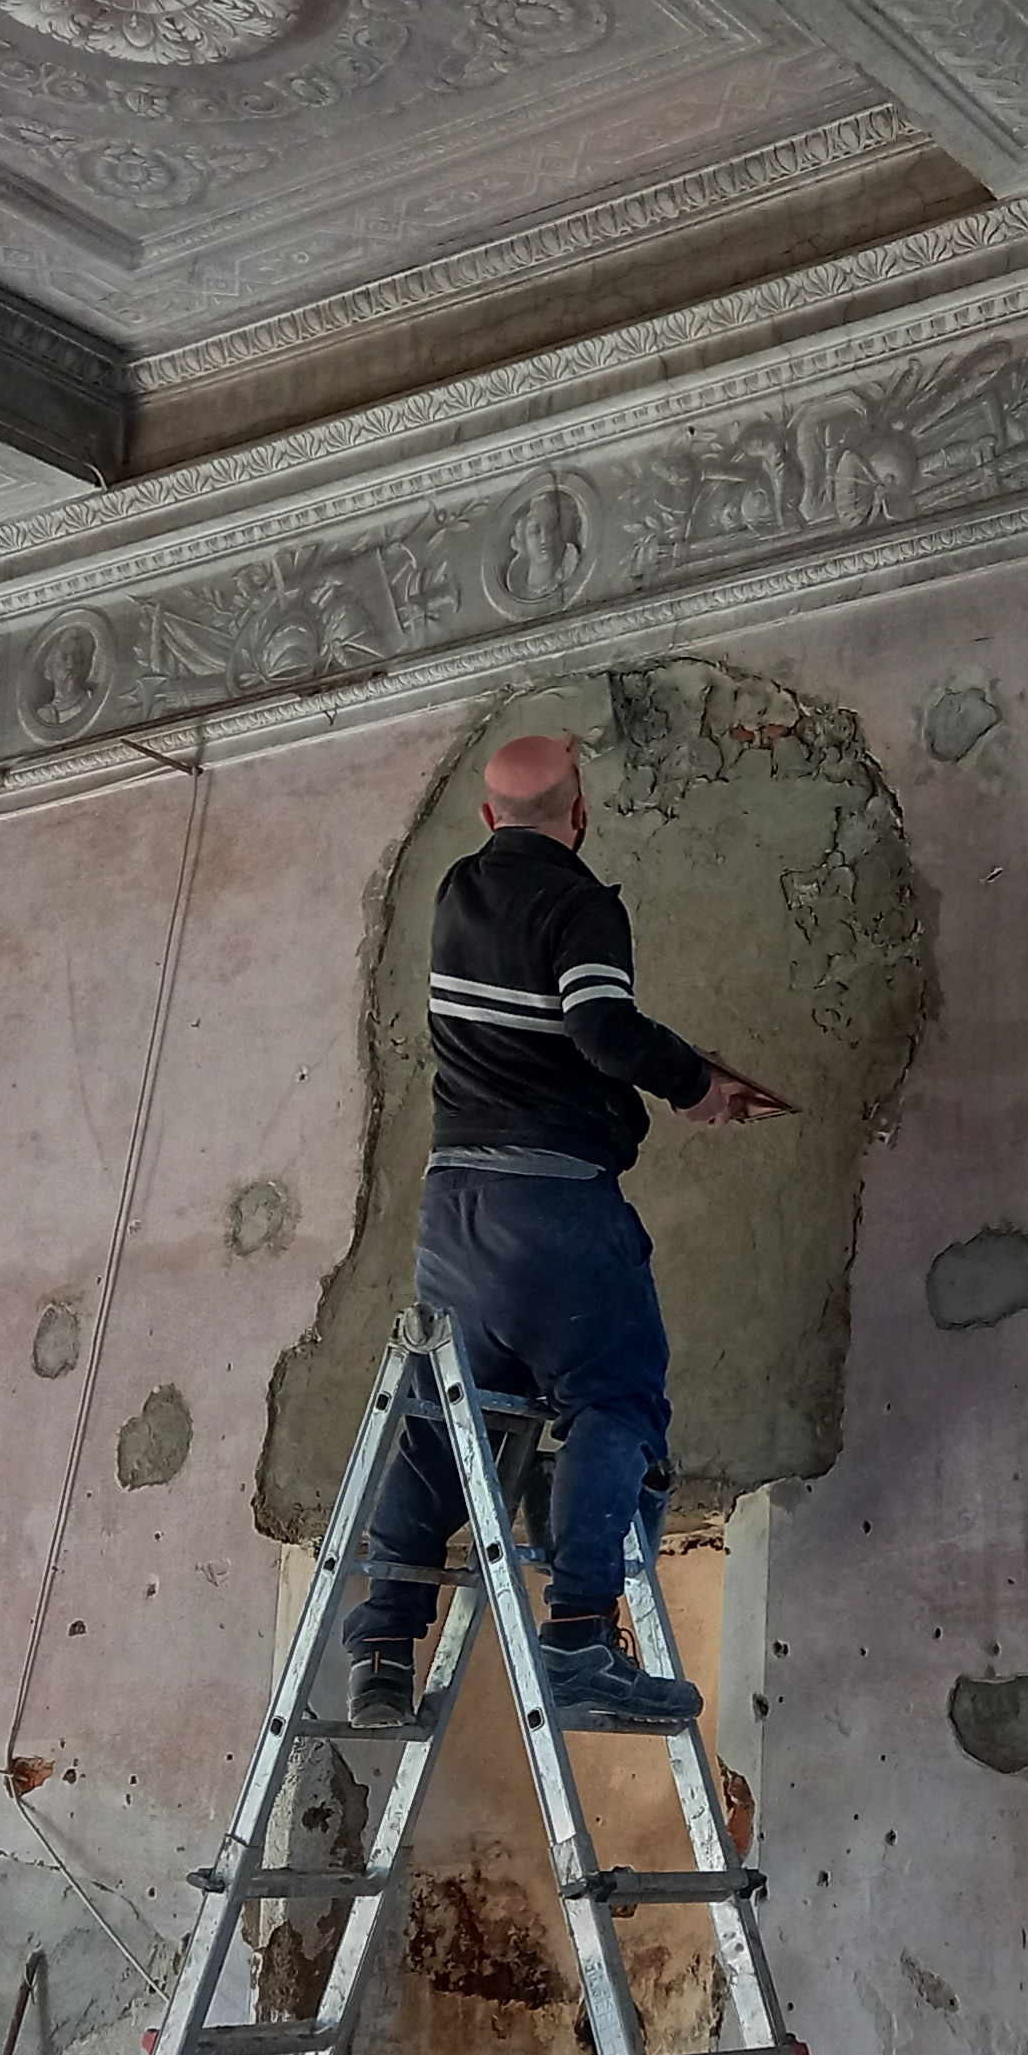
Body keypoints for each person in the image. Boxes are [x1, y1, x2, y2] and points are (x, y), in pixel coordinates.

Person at [343, 730, 785, 1730]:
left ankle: (380, 1642)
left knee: (449, 1412)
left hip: (454, 1207)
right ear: (579, 816)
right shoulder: (580, 905)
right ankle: (580, 1643)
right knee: (614, 1405)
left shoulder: (459, 892)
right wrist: (695, 1087)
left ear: (489, 821)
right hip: (554, 1205)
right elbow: (597, 1025)